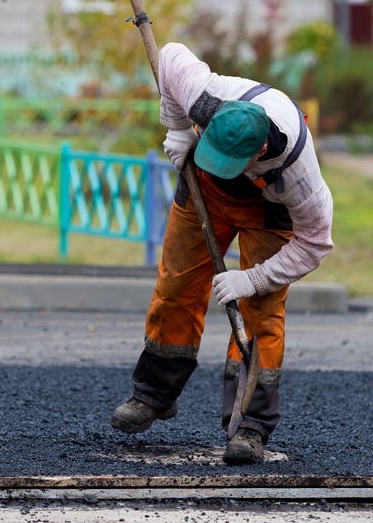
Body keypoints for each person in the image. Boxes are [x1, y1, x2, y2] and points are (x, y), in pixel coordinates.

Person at [110, 42, 334, 465]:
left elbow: (316, 242)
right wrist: (177, 127)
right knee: (176, 283)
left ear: (259, 154)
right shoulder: (208, 98)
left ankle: (249, 425)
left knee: (261, 310)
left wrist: (252, 279)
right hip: (203, 192)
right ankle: (154, 395)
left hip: (269, 211)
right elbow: (171, 56)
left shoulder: (299, 178)